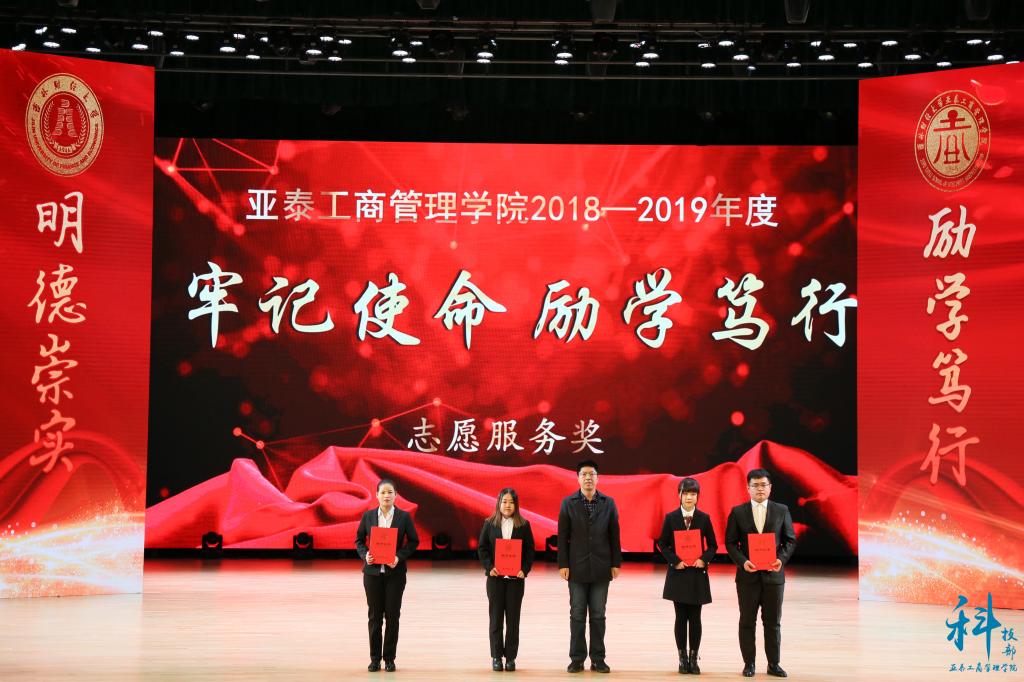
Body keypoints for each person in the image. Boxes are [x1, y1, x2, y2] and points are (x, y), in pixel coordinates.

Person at [724, 468, 796, 678]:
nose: (760, 489)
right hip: (748, 577)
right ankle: (749, 664)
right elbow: (730, 542)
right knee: (747, 621)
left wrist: (781, 559)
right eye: (755, 485)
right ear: (748, 488)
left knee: (773, 623)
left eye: (763, 485)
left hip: (774, 577)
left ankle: (774, 664)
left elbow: (790, 540)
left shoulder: (781, 510)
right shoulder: (738, 512)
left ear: (770, 487)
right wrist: (743, 561)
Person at [557, 459, 622, 673]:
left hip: (602, 567)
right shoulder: (568, 503)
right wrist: (563, 564)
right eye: (584, 474)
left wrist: (616, 563)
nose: (588, 478)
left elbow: (614, 535)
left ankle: (598, 659)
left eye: (591, 474)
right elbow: (562, 536)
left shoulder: (608, 503)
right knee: (577, 614)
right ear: (578, 478)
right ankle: (577, 659)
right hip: (576, 567)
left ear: (597, 478)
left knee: (598, 615)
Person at [355, 478, 420, 672]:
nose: (386, 496)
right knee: (375, 617)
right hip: (372, 574)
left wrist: (399, 557)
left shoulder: (403, 517)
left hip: (395, 575)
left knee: (392, 617)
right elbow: (359, 540)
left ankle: (390, 659)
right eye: (383, 492)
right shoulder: (368, 516)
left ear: (396, 495)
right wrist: (365, 555)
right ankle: (375, 659)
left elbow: (413, 541)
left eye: (390, 492)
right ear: (376, 495)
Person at [657, 477, 718, 675]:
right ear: (679, 495)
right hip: (679, 572)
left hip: (697, 573)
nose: (689, 497)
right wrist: (675, 560)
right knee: (681, 617)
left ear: (698, 496)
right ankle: (682, 658)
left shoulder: (704, 518)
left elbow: (713, 545)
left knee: (696, 617)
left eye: (693, 494)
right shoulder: (671, 518)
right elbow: (662, 543)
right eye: (686, 493)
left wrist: (704, 559)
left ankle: (694, 658)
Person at [477, 488, 536, 672]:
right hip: (495, 579)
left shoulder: (524, 525)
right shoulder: (489, 523)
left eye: (511, 502)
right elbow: (482, 548)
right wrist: (489, 567)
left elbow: (530, 551)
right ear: (498, 504)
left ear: (516, 505)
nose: (507, 505)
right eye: (504, 502)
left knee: (513, 619)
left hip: (516, 580)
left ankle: (510, 657)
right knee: (495, 619)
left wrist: (524, 569)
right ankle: (496, 656)